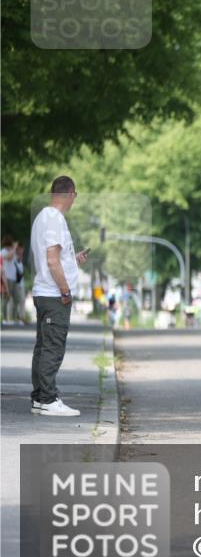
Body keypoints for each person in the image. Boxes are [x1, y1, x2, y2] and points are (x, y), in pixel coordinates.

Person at [30, 176, 88, 416]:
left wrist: (73, 262)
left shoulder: (43, 217)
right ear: (71, 194)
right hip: (54, 295)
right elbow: (52, 261)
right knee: (53, 348)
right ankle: (48, 399)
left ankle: (39, 399)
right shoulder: (54, 218)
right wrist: (65, 290)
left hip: (45, 292)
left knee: (43, 347)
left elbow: (54, 258)